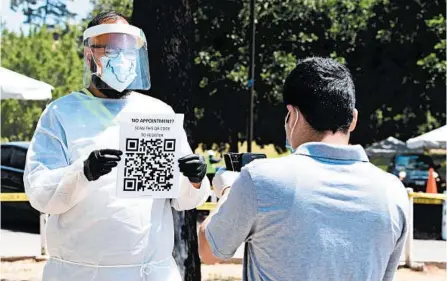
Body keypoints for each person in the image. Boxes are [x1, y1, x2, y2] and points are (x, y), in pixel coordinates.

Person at [24, 11, 210, 281]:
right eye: (111, 49)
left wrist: (194, 179)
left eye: (128, 50)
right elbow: (40, 193)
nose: (122, 58)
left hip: (150, 273)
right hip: (80, 274)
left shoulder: (158, 113)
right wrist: (82, 172)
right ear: (90, 55)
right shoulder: (61, 114)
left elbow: (183, 199)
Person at [198, 57, 409, 281]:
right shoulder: (393, 191)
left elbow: (208, 251)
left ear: (293, 115)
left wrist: (228, 188)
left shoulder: (261, 179)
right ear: (353, 118)